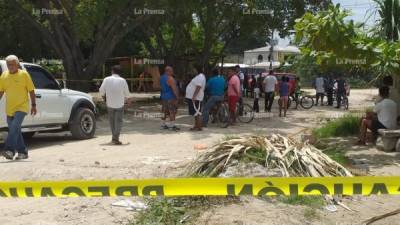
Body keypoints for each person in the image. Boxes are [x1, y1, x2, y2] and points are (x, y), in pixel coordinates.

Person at [0, 55, 36, 160]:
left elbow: (31, 90)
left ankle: (9, 150)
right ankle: (23, 152)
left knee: (15, 126)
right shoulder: (3, 76)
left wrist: (33, 105)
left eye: (12, 64)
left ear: (17, 64)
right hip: (9, 109)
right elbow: (1, 92)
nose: (10, 66)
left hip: (22, 107)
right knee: (15, 130)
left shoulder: (24, 74)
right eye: (8, 65)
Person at [99, 65, 131, 145]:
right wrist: (129, 100)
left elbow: (101, 91)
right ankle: (115, 138)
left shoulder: (106, 79)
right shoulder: (123, 80)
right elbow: (127, 93)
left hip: (110, 103)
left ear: (112, 71)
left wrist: (104, 97)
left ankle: (114, 138)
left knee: (112, 122)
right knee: (118, 122)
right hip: (120, 104)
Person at [185, 66, 206, 131]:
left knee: (197, 112)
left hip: (196, 98)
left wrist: (194, 96)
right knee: (195, 113)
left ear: (197, 69)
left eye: (194, 69)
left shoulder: (200, 77)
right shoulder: (198, 76)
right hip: (194, 97)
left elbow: (198, 87)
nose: (193, 71)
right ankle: (196, 126)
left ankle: (199, 127)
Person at [160, 66, 180, 131]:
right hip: (171, 97)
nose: (172, 72)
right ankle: (172, 126)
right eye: (171, 71)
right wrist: (177, 97)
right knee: (172, 111)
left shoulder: (161, 78)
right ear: (167, 71)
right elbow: (174, 89)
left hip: (163, 96)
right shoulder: (170, 78)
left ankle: (163, 125)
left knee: (164, 111)